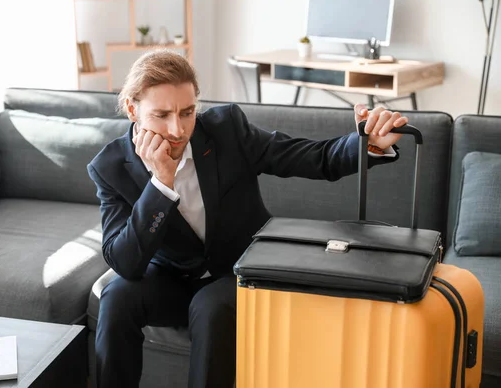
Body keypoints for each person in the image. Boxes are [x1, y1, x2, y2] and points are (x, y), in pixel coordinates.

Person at [87, 49, 408, 388]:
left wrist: (368, 143)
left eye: (187, 112)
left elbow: (312, 158)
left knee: (210, 308)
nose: (177, 129)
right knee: (116, 297)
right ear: (133, 110)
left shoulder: (227, 131)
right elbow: (125, 263)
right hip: (173, 278)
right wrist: (160, 184)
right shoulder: (110, 168)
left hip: (239, 270)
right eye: (162, 114)